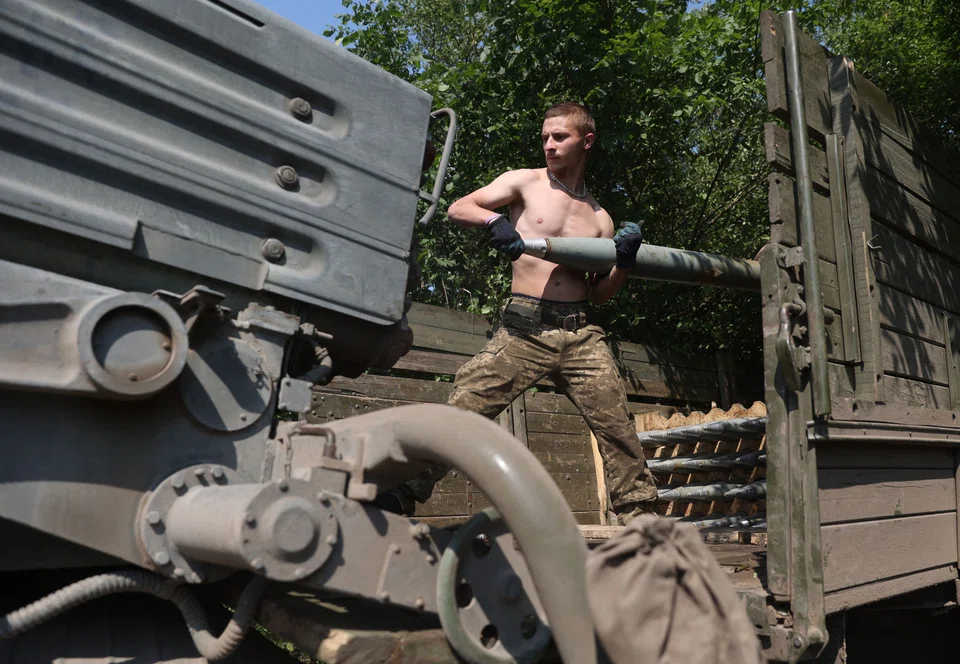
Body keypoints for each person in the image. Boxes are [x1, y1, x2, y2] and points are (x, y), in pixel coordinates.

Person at [404, 102, 658, 525]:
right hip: (525, 327)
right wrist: (493, 223)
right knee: (464, 407)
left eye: (560, 137)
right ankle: (400, 494)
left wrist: (623, 263)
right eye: (545, 137)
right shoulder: (524, 182)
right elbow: (458, 207)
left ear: (586, 141)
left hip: (581, 335)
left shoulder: (600, 219)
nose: (549, 145)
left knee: (617, 428)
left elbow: (600, 296)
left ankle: (641, 520)